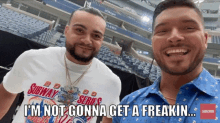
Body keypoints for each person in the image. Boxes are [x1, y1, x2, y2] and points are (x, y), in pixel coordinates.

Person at [0, 7, 121, 123]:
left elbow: (110, 117)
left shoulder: (111, 81)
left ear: (102, 40)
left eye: (96, 36)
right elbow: (8, 91)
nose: (87, 40)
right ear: (67, 30)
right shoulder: (32, 59)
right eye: (79, 30)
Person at [113, 0, 220, 122]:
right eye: (163, 30)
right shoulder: (127, 106)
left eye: (189, 28)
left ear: (205, 39)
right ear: (152, 42)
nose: (174, 37)